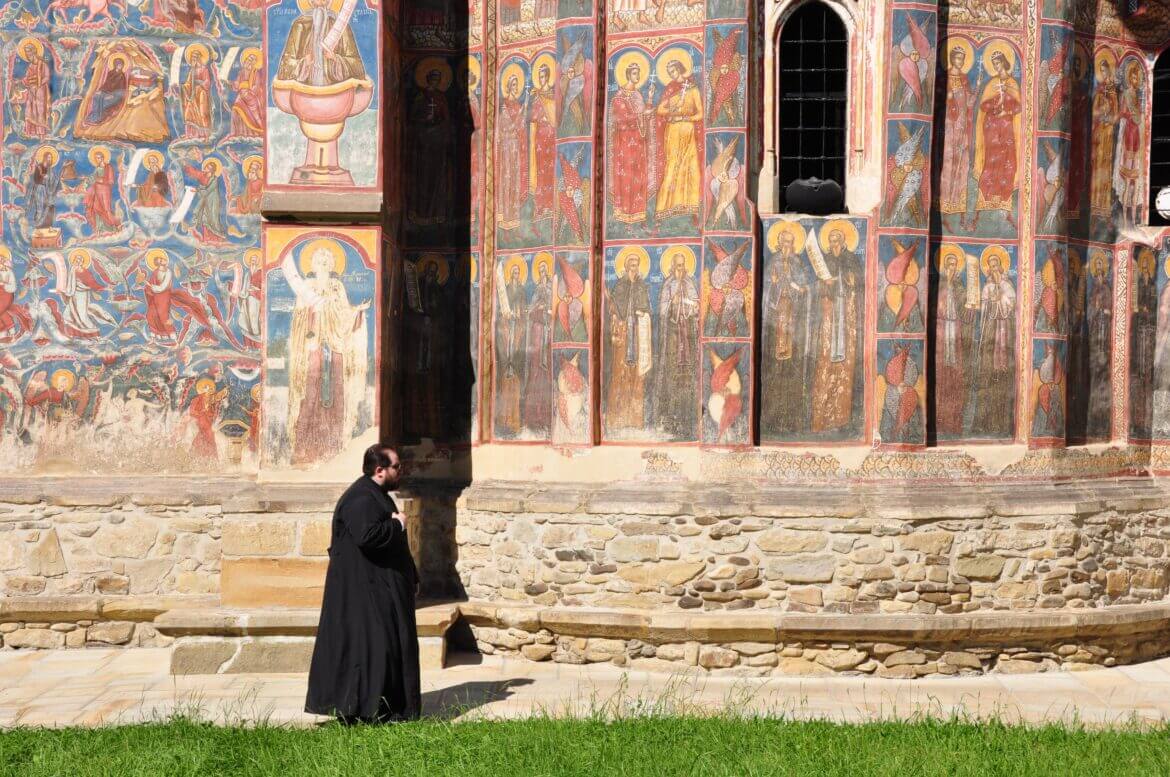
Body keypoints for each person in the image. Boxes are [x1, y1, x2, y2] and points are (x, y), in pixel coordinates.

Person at [306, 444, 420, 723]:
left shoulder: (374, 494)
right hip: (364, 590)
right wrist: (398, 525)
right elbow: (367, 536)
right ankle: (366, 709)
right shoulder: (361, 498)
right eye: (396, 466)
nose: (400, 471)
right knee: (372, 649)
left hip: (376, 587)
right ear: (380, 470)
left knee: (381, 648)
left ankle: (378, 709)